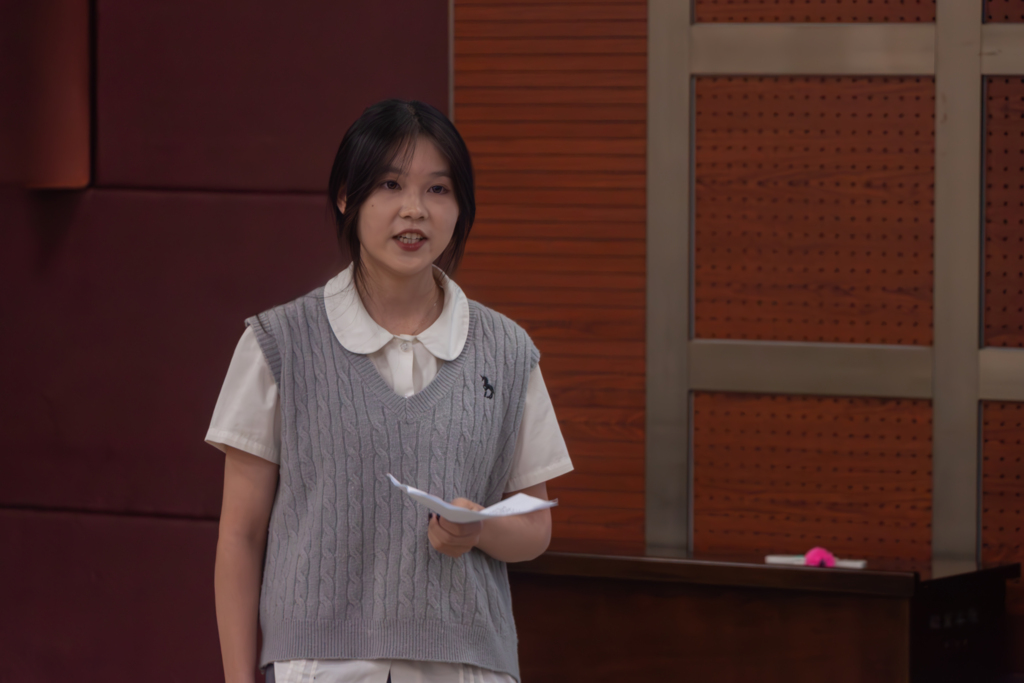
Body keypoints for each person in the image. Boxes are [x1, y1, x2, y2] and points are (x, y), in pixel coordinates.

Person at [207, 99, 573, 683]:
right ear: (346, 197)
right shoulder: (278, 343)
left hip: (467, 667)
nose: (414, 210)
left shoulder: (508, 350)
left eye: (438, 189)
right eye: (390, 184)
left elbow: (536, 530)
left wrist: (478, 529)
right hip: (316, 669)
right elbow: (240, 536)